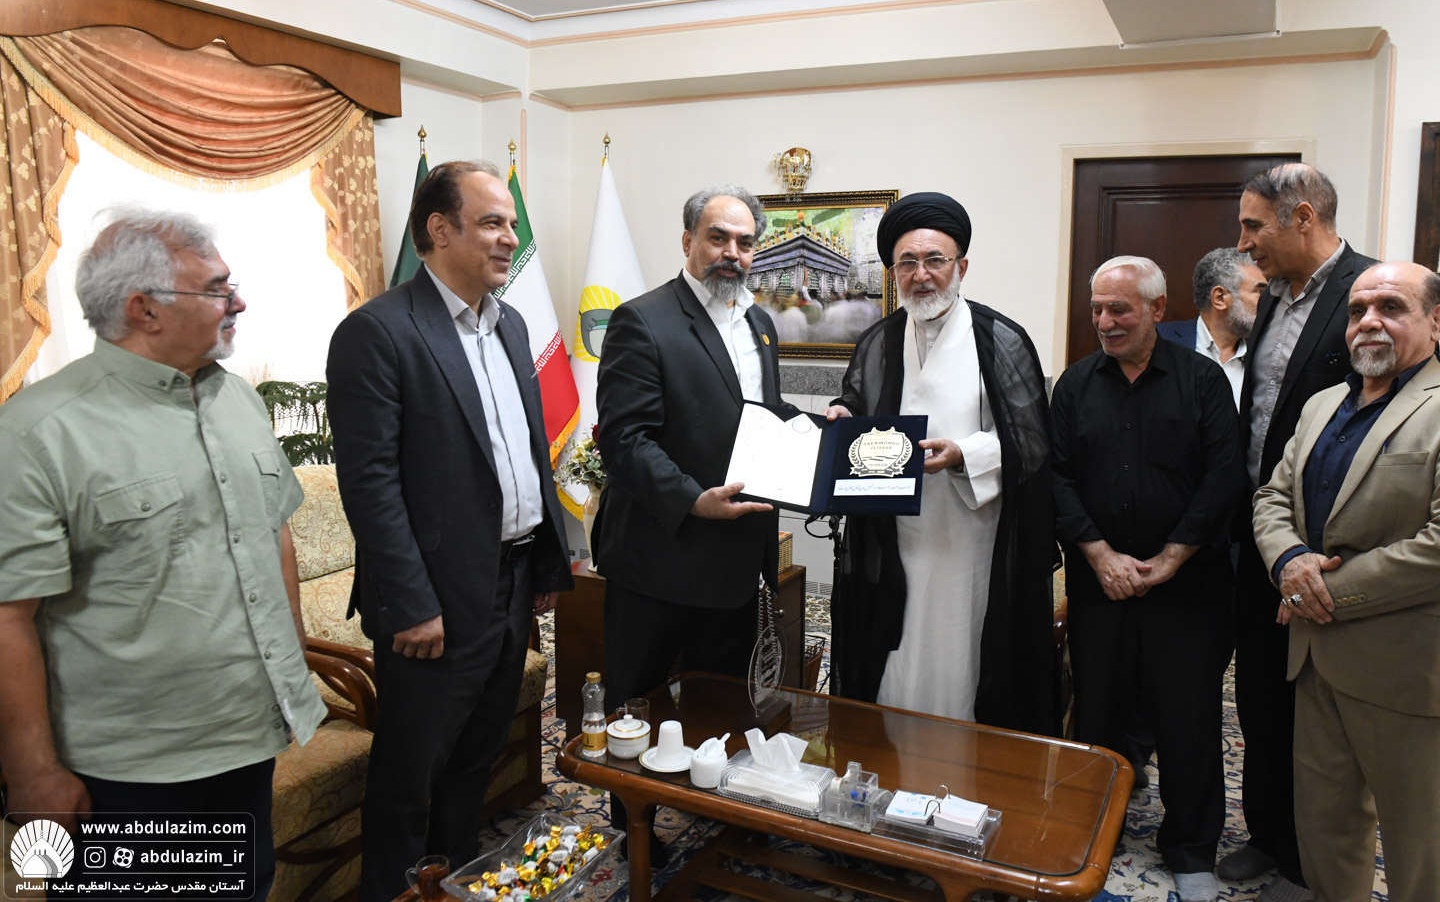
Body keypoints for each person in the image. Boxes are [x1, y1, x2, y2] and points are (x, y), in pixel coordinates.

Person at [0, 206, 324, 902]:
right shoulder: (38, 431)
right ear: (143, 309)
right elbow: (7, 616)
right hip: (130, 770)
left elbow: (273, 530)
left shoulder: (238, 400)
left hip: (246, 738)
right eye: (215, 289)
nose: (237, 303)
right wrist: (32, 773)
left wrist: (292, 658)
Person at [325, 160, 571, 902]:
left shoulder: (511, 322)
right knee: (411, 776)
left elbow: (527, 451)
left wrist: (545, 566)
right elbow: (370, 484)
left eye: (511, 224)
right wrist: (410, 604)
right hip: (431, 600)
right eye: (493, 222)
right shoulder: (377, 332)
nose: (510, 238)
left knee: (474, 761)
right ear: (439, 229)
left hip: (512, 581)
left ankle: (456, 881)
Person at [1252, 261, 1440, 902]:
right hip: (1314, 659)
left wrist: (1318, 593)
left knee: (1416, 843)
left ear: (1436, 321)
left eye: (1391, 307)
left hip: (1405, 669)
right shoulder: (1320, 405)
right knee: (1326, 830)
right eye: (1358, 310)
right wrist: (1288, 561)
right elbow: (1272, 498)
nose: (1369, 322)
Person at [592, 184, 786, 859]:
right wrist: (692, 498)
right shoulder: (642, 320)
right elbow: (625, 440)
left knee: (718, 698)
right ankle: (635, 830)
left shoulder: (759, 323)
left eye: (744, 242)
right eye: (717, 237)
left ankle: (709, 805)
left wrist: (818, 430)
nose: (732, 252)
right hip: (659, 554)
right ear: (687, 241)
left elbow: (760, 418)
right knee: (638, 702)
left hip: (734, 558)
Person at [823, 191, 1058, 732]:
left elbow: (1032, 443)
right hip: (893, 538)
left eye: (934, 260)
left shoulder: (1001, 339)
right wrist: (843, 414)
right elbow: (857, 403)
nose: (921, 275)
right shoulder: (879, 340)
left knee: (961, 663)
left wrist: (963, 455)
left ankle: (957, 771)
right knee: (895, 662)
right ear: (893, 273)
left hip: (968, 536)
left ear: (961, 267)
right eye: (907, 262)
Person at [1051, 255, 1240, 902]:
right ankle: (1093, 830)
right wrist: (1099, 554)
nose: (1105, 321)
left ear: (1158, 309)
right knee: (1098, 712)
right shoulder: (1074, 385)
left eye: (1119, 309)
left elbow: (1223, 477)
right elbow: (1056, 477)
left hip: (1188, 589)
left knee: (1187, 718)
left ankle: (1190, 847)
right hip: (1099, 584)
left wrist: (1172, 557)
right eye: (1097, 309)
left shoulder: (1203, 381)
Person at [1225, 162, 1377, 900]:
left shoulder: (1369, 294)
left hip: (1324, 548)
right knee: (1259, 695)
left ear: (1304, 218)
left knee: (1318, 716)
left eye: (1254, 225)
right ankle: (1267, 836)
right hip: (1261, 535)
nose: (1243, 241)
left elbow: (1393, 420)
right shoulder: (1275, 298)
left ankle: (1308, 861)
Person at [1157, 247, 1267, 406]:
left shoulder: (1264, 357)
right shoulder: (1160, 341)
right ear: (1220, 298)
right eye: (1259, 292)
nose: (1268, 301)